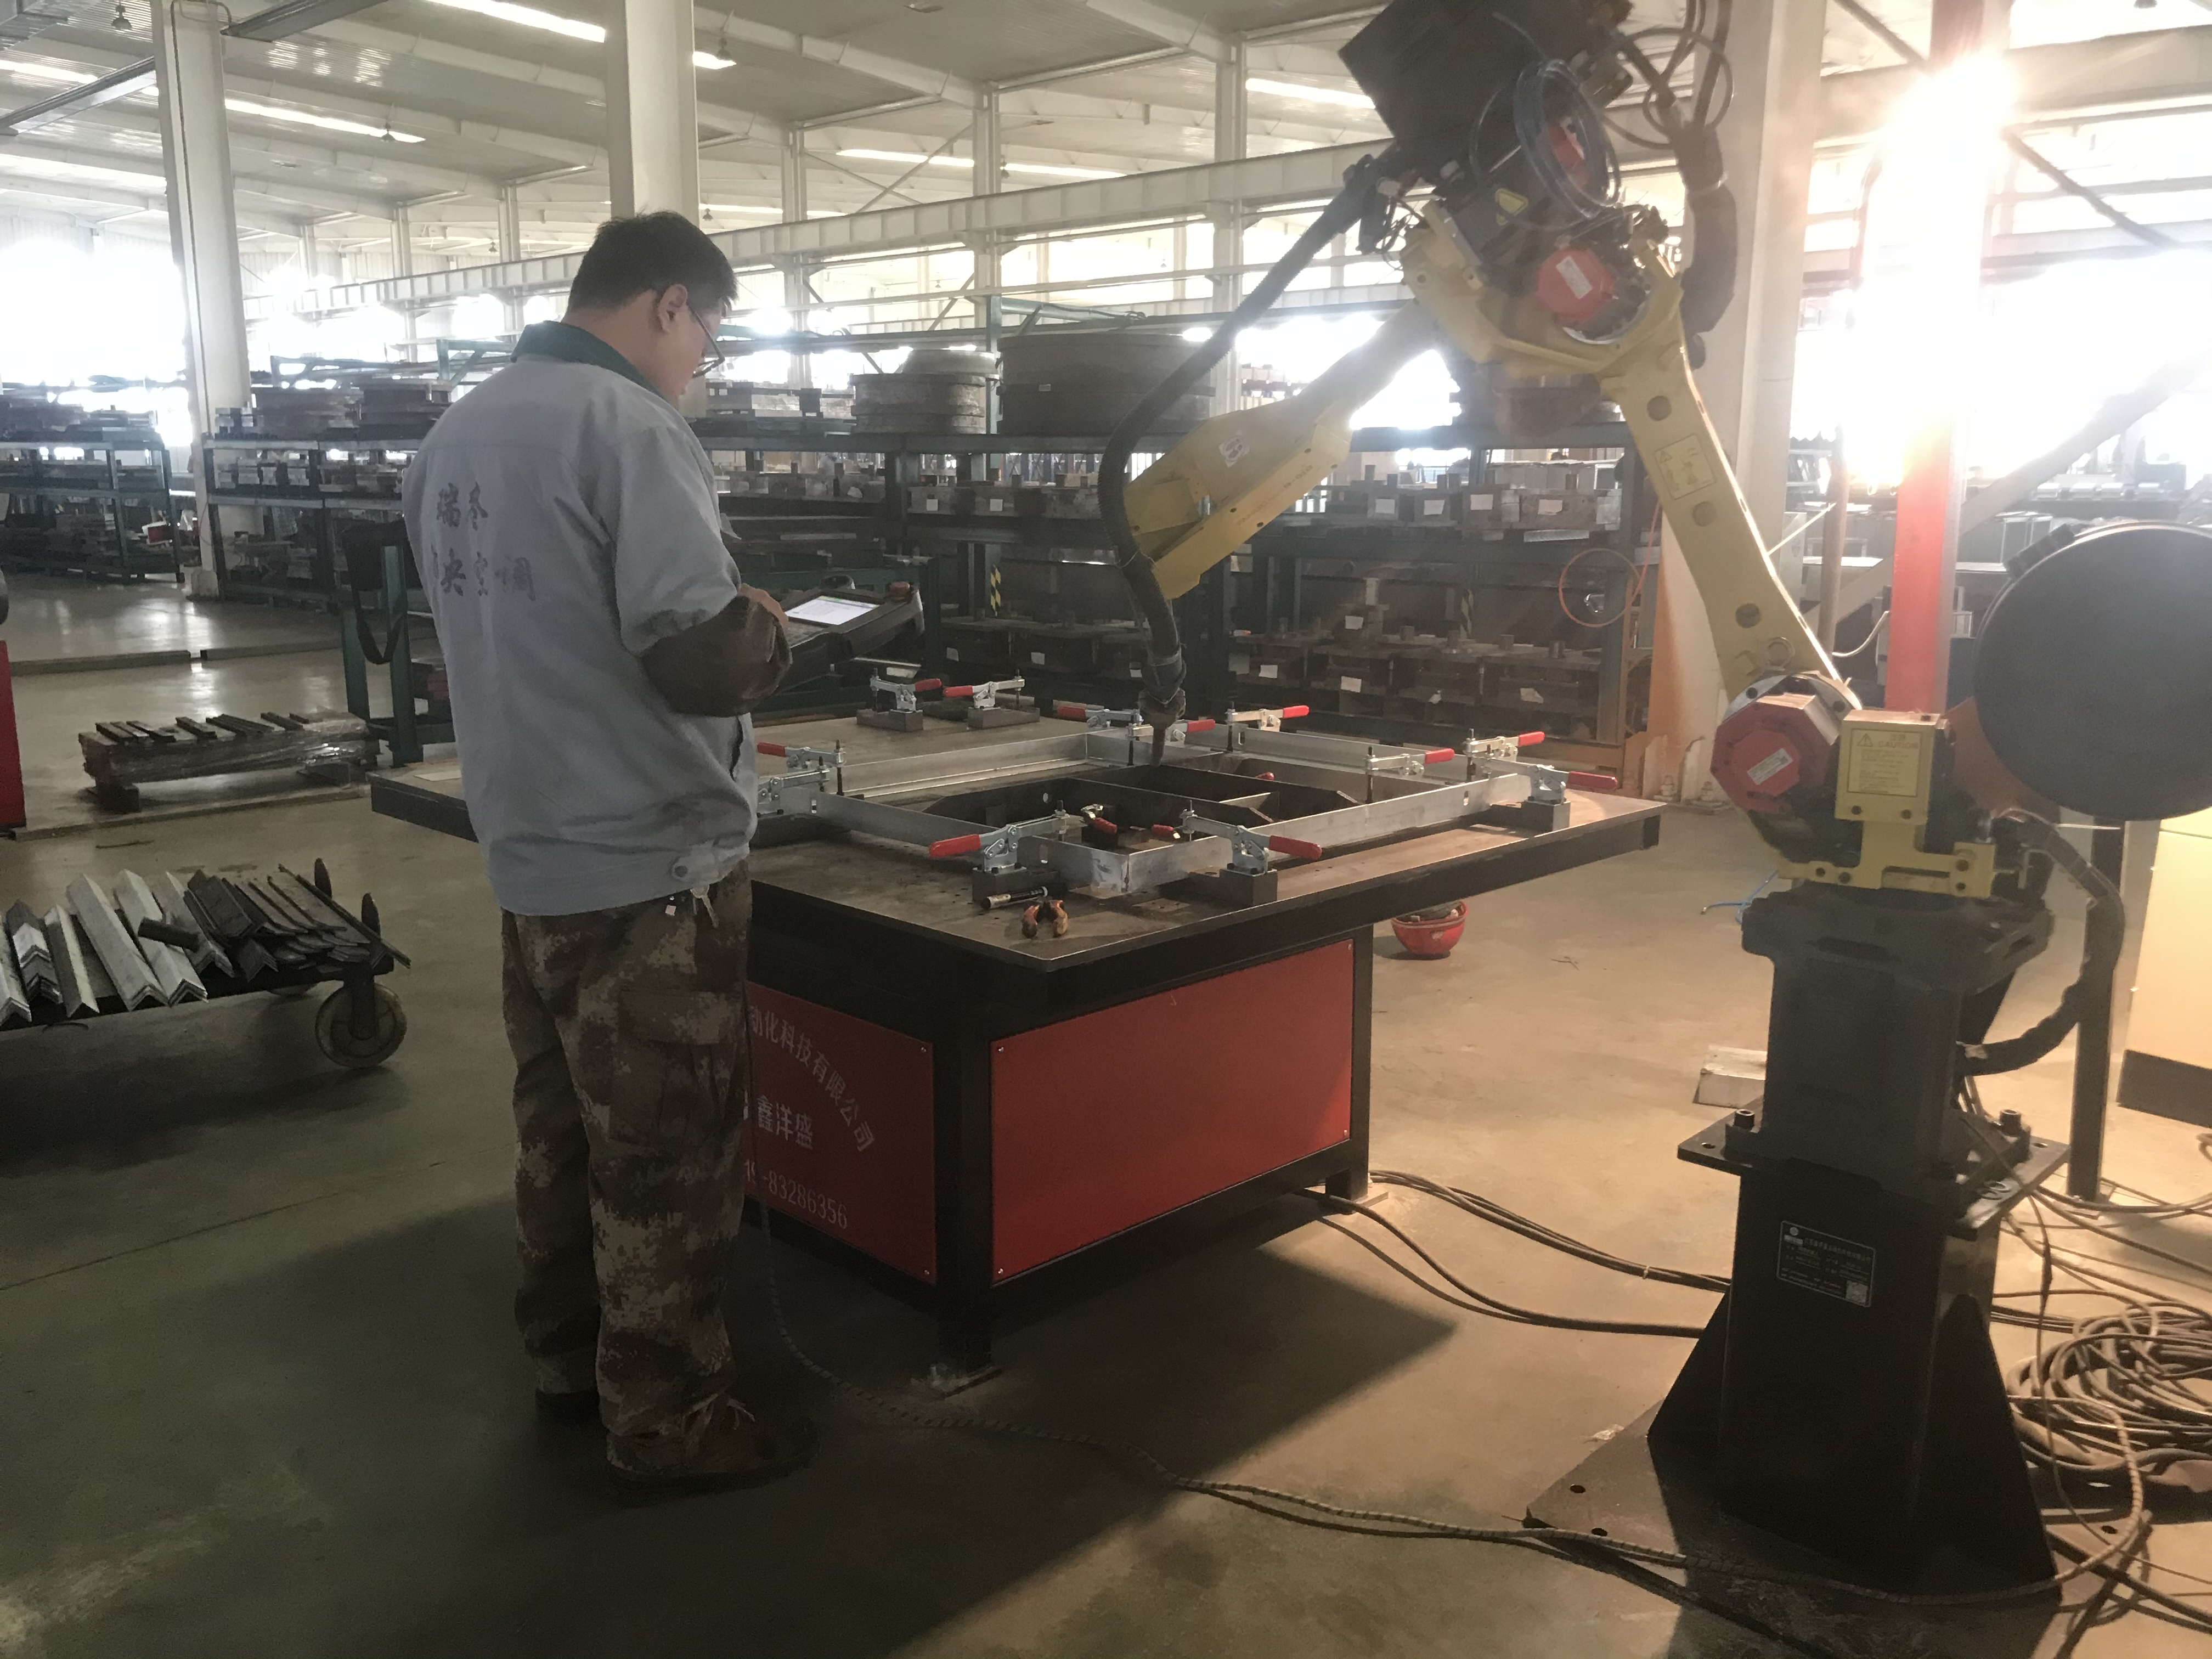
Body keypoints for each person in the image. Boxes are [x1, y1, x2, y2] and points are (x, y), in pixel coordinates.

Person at [406, 211, 809, 1496]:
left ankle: (567, 1360)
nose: (700, 366)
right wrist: (767, 625)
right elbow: (697, 659)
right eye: (708, 338)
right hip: (651, 868)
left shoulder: (459, 433)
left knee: (564, 1135)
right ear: (670, 305)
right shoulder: (629, 425)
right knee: (667, 1158)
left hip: (531, 850)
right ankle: (669, 1417)